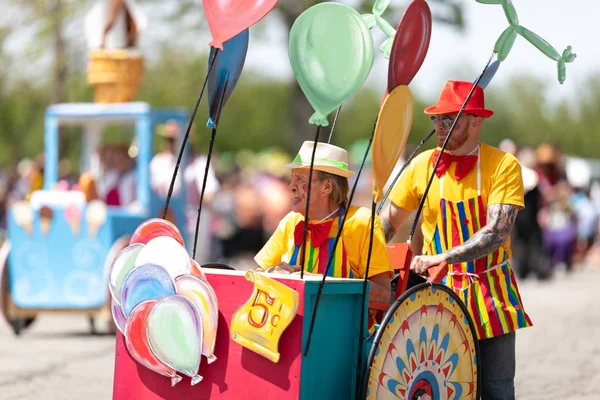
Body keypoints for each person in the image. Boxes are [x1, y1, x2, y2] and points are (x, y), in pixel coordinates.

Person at [379, 81, 532, 399]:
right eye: (437, 119)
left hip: (492, 293)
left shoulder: (503, 166)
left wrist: (444, 256)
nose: (440, 126)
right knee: (437, 387)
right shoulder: (422, 165)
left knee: (496, 389)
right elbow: (387, 220)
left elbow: (496, 232)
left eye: (450, 119)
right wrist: (363, 252)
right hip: (436, 295)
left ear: (476, 122)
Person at [254, 141, 393, 304]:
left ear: (327, 186)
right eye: (292, 178)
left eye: (299, 179)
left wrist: (318, 282)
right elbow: (256, 274)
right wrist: (272, 272)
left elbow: (384, 295)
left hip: (345, 325)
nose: (291, 186)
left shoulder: (362, 222)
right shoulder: (291, 221)